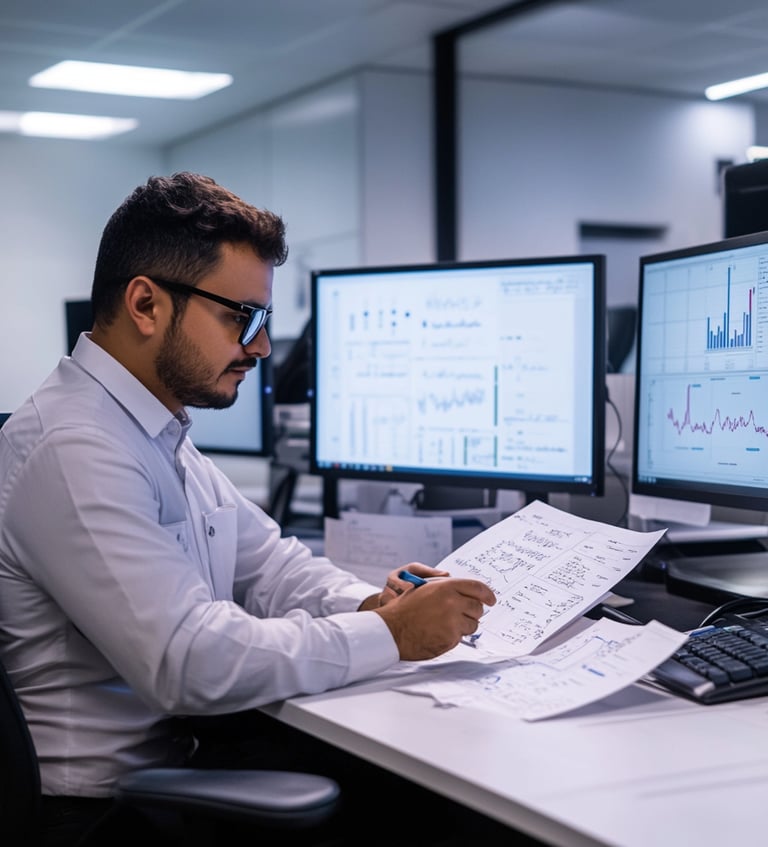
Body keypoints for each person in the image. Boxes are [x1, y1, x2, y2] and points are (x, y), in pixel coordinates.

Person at [0, 172, 502, 845]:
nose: (262, 348)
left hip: (179, 768)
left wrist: (371, 606)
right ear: (146, 303)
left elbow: (270, 566)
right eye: (242, 317)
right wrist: (394, 637)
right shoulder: (74, 444)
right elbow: (188, 659)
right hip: (103, 815)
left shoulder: (152, 430)